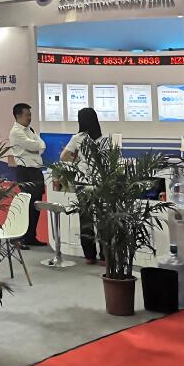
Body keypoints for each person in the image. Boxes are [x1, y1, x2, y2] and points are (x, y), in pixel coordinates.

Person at [61, 107, 103, 264]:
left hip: (83, 182)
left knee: (86, 219)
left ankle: (90, 256)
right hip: (99, 182)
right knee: (102, 218)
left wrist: (77, 160)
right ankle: (105, 256)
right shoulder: (102, 138)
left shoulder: (77, 138)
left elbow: (63, 156)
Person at [7, 102, 47, 248]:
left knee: (36, 205)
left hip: (36, 171)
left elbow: (42, 145)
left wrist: (37, 143)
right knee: (27, 205)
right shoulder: (16, 132)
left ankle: (31, 236)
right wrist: (37, 144)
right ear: (18, 116)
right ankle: (20, 237)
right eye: (27, 115)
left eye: (30, 115)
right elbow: (35, 145)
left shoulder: (30, 130)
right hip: (26, 172)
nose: (30, 118)